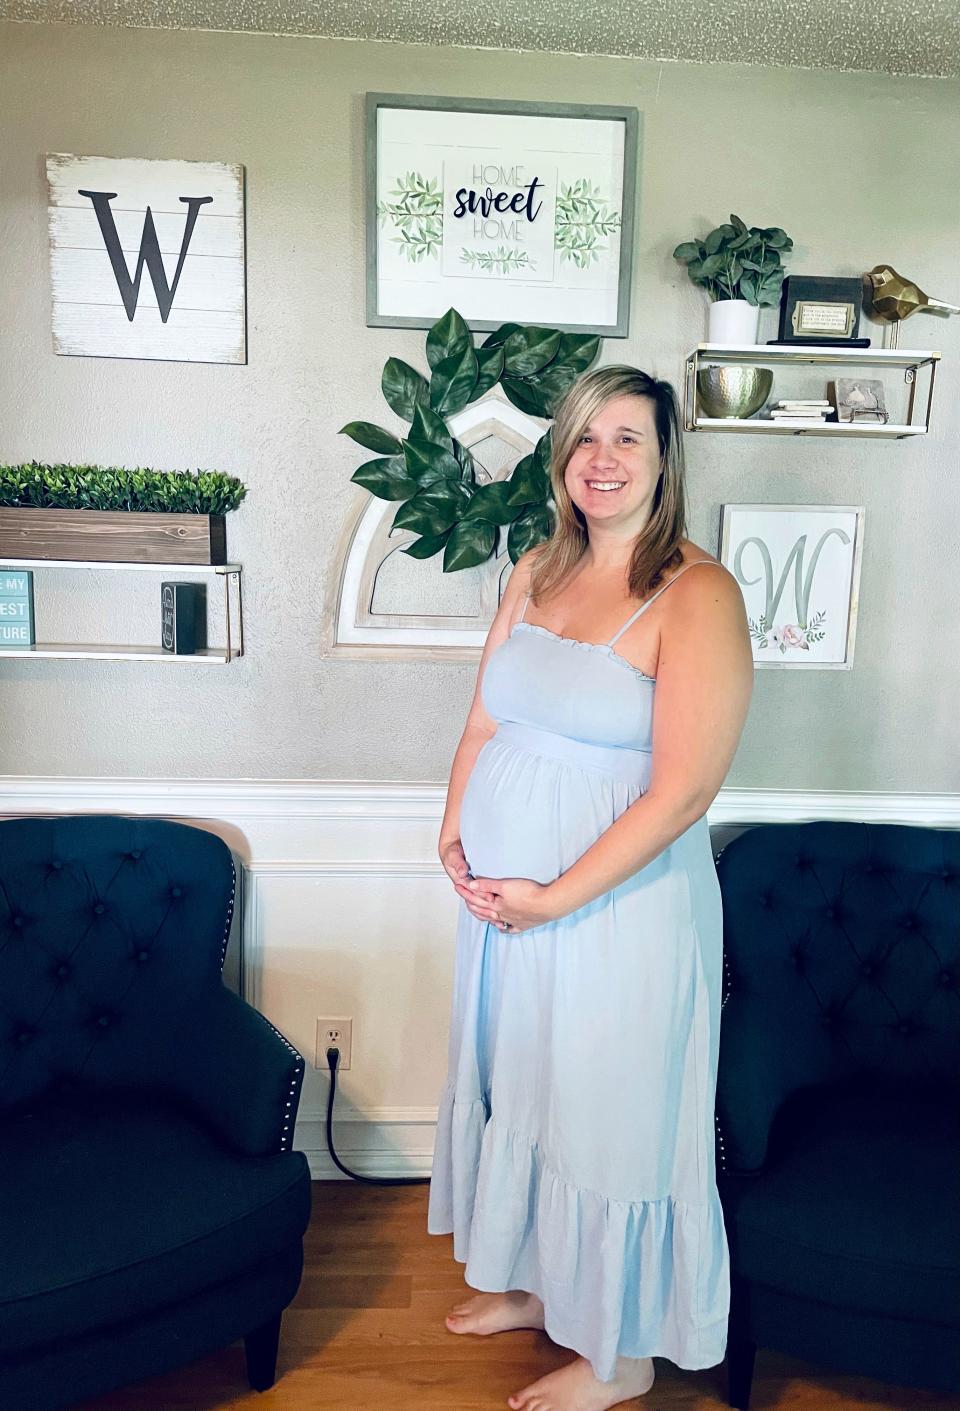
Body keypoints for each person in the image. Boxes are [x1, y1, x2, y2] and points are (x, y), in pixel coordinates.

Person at [427, 364, 754, 1411]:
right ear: (561, 457)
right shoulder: (534, 567)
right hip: (510, 908)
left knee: (609, 1111)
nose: (601, 460)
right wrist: (453, 828)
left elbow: (686, 788)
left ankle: (621, 1355)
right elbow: (488, 720)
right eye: (584, 439)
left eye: (628, 439)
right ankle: (538, 1282)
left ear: (665, 459)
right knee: (526, 1084)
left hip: (616, 908)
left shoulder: (696, 592)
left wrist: (557, 896)